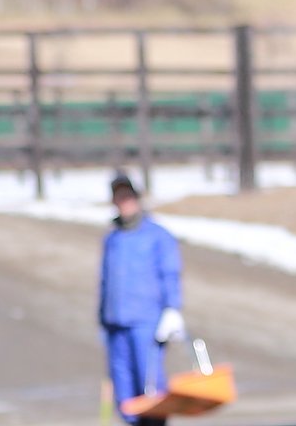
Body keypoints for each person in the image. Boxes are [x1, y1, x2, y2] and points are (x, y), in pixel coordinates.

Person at [99, 172, 186, 425]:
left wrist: (173, 309)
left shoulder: (157, 235)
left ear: (136, 198)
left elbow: (170, 273)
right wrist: (103, 319)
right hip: (116, 323)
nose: (123, 202)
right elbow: (104, 282)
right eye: (118, 197)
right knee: (124, 391)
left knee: (150, 388)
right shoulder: (112, 238)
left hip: (147, 321)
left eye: (127, 196)